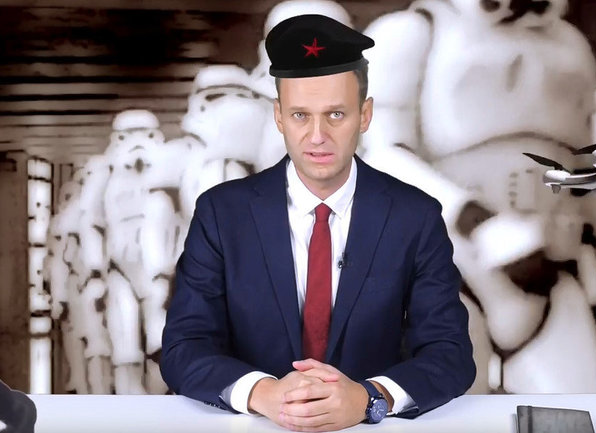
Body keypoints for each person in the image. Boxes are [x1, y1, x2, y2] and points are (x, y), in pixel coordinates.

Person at [161, 13, 475, 432]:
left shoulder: (415, 215)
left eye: (336, 114)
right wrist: (263, 393)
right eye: (300, 116)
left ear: (365, 115)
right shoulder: (221, 213)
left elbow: (450, 353)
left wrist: (368, 398)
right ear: (278, 116)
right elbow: (184, 346)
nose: (317, 136)